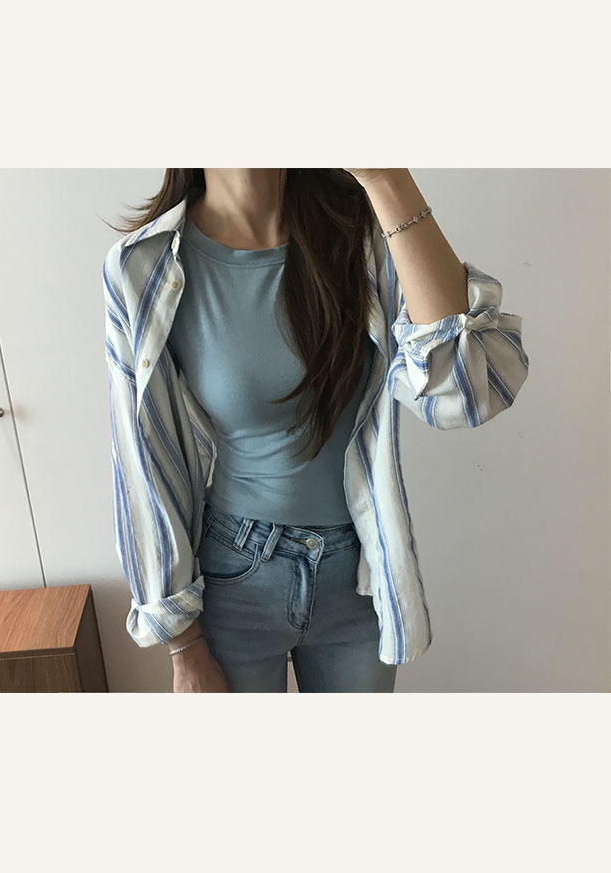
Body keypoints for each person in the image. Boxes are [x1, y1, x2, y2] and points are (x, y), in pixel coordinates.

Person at [104, 154, 527, 687]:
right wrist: (182, 645)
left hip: (361, 575)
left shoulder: (364, 236)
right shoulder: (146, 266)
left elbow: (465, 393)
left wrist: (384, 176)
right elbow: (143, 460)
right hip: (234, 578)